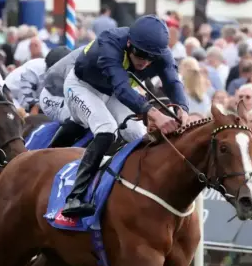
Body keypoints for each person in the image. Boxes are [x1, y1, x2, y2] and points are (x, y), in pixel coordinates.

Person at [60, 14, 188, 218]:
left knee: (139, 135)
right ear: (129, 43)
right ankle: (75, 197)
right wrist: (155, 115)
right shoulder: (109, 43)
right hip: (82, 86)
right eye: (140, 54)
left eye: (151, 58)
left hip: (111, 92)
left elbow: (173, 82)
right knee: (107, 129)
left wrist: (183, 108)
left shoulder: (162, 54)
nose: (144, 62)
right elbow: (122, 88)